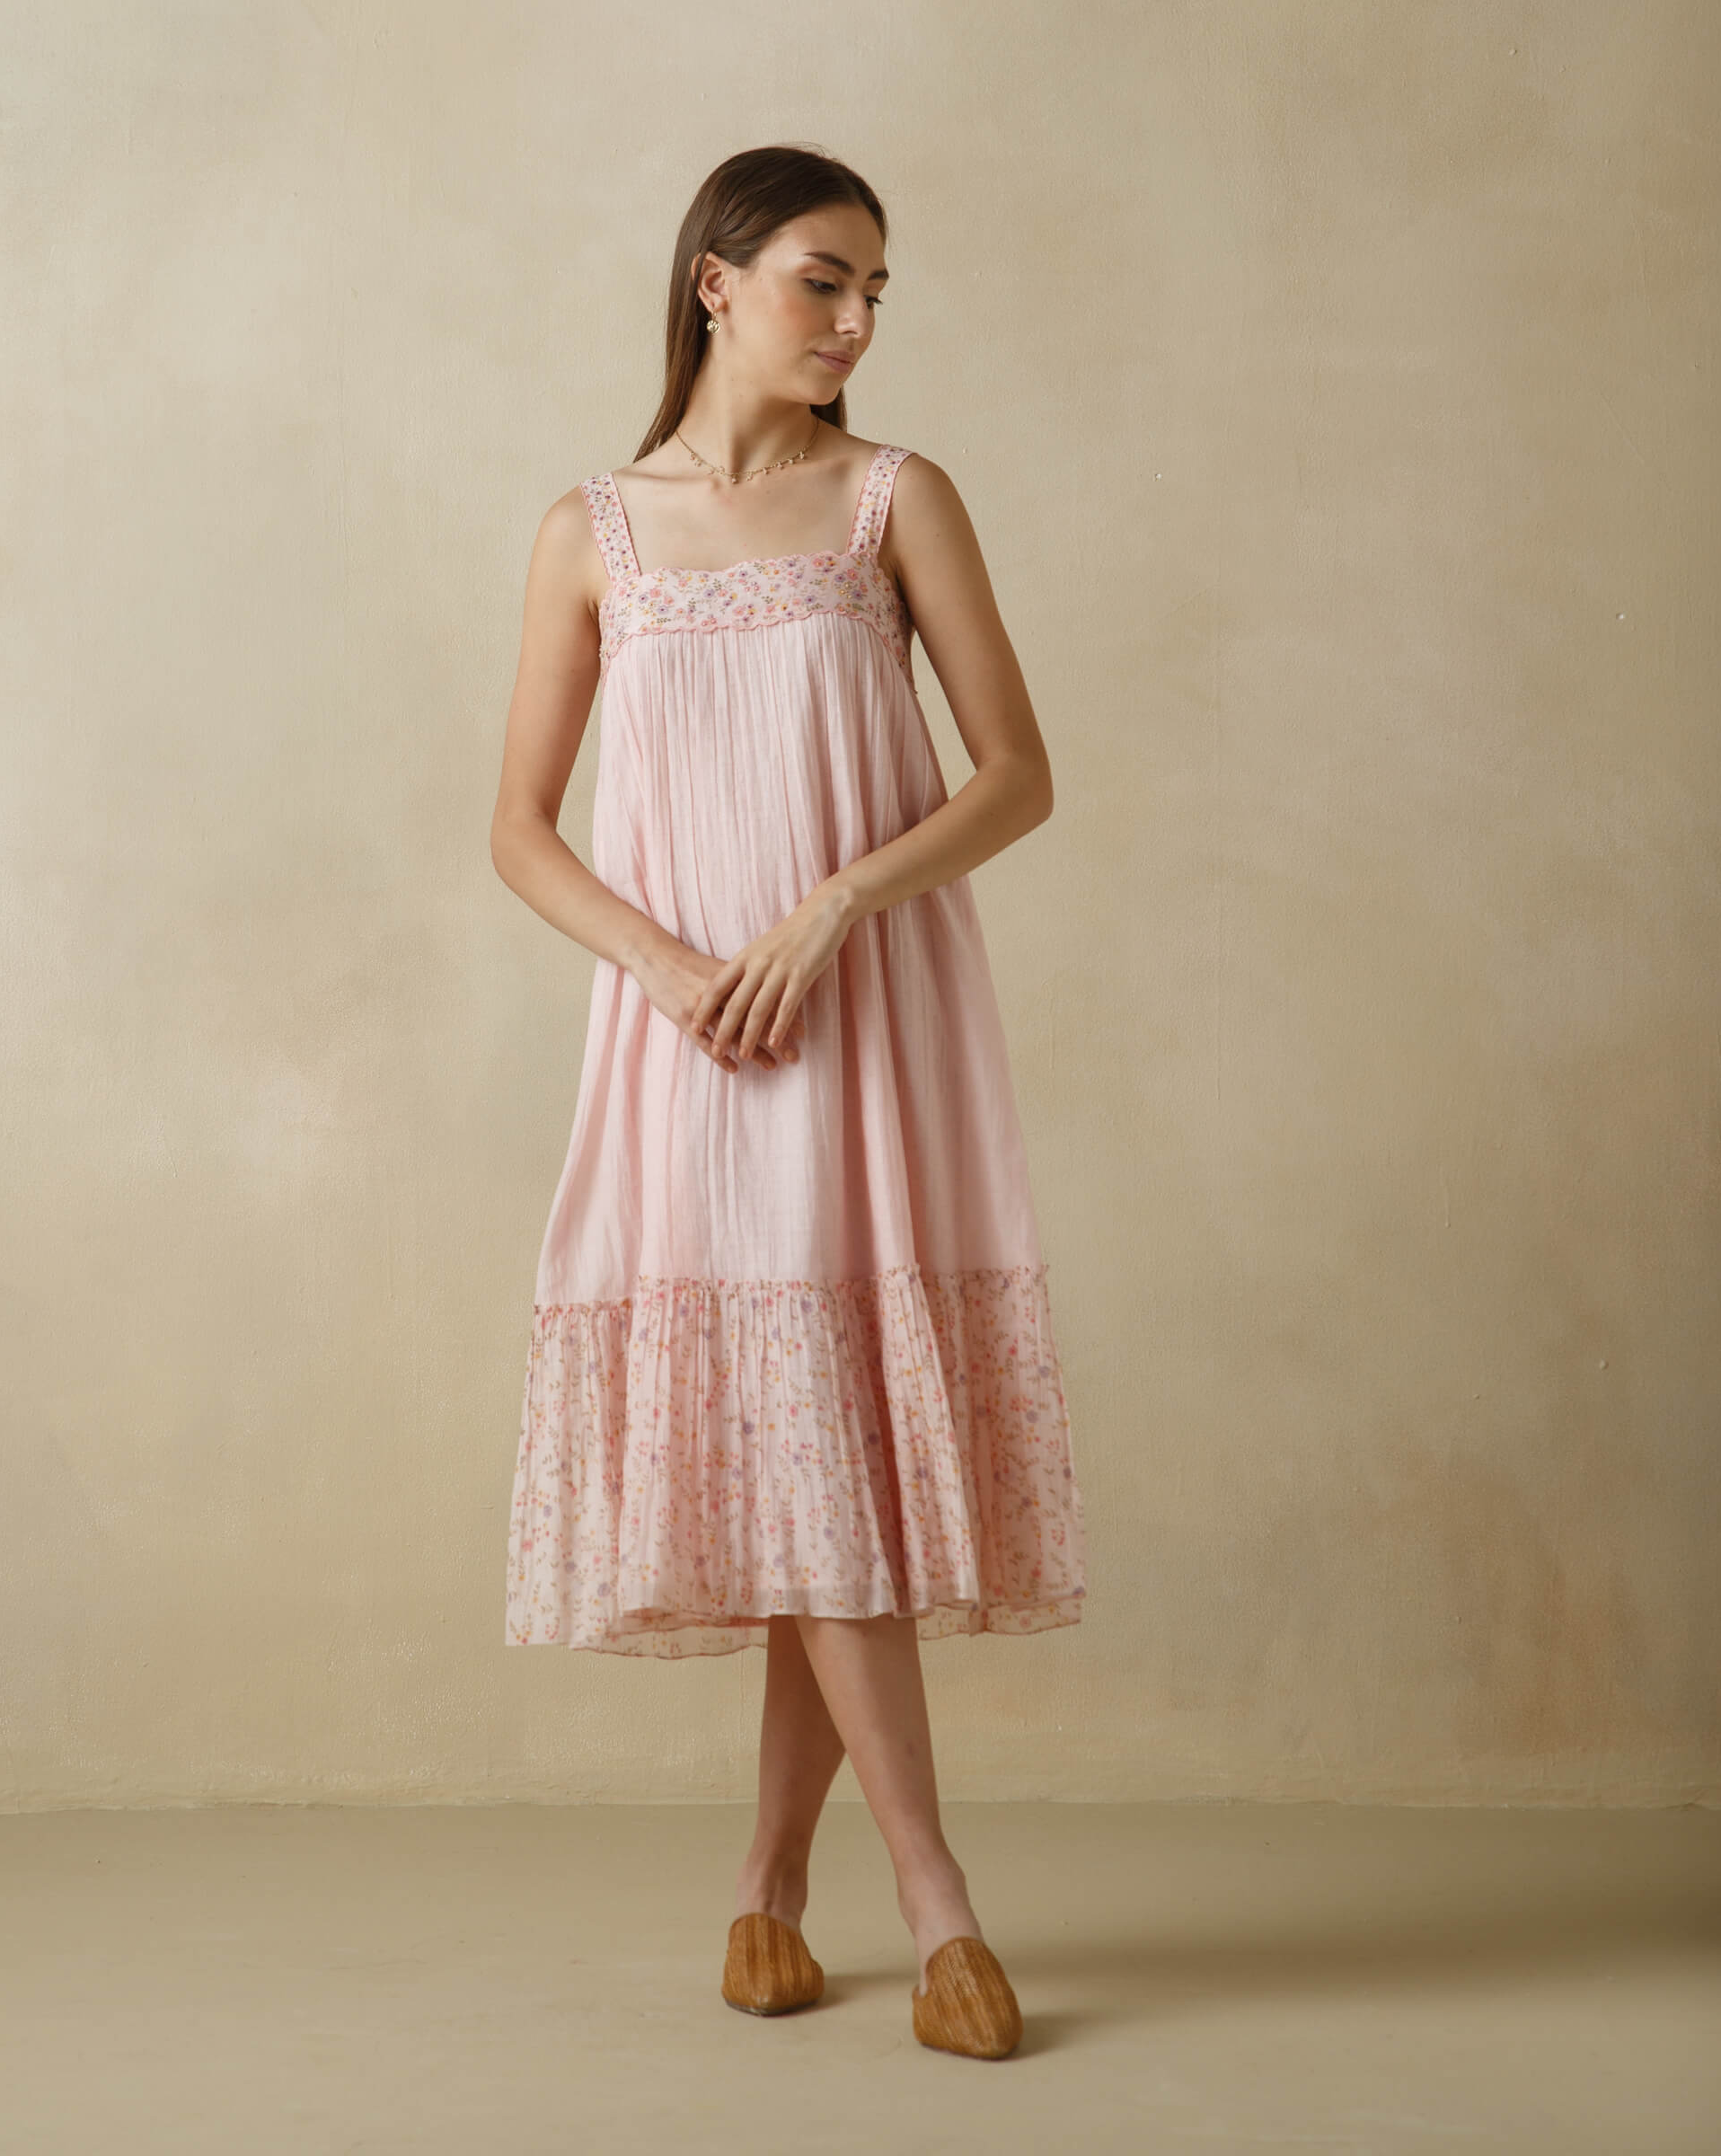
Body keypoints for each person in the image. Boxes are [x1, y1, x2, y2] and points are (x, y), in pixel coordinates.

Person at [490, 144, 1087, 2061]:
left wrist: (837, 906)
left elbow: (1013, 775)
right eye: (826, 279)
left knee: (818, 1440)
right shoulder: (595, 533)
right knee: (804, 1444)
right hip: (693, 1043)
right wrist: (668, 968)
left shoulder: (895, 501)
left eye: (876, 293)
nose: (857, 320)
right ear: (717, 283)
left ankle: (773, 1895)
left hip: (866, 1012)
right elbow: (515, 830)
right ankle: (940, 1911)